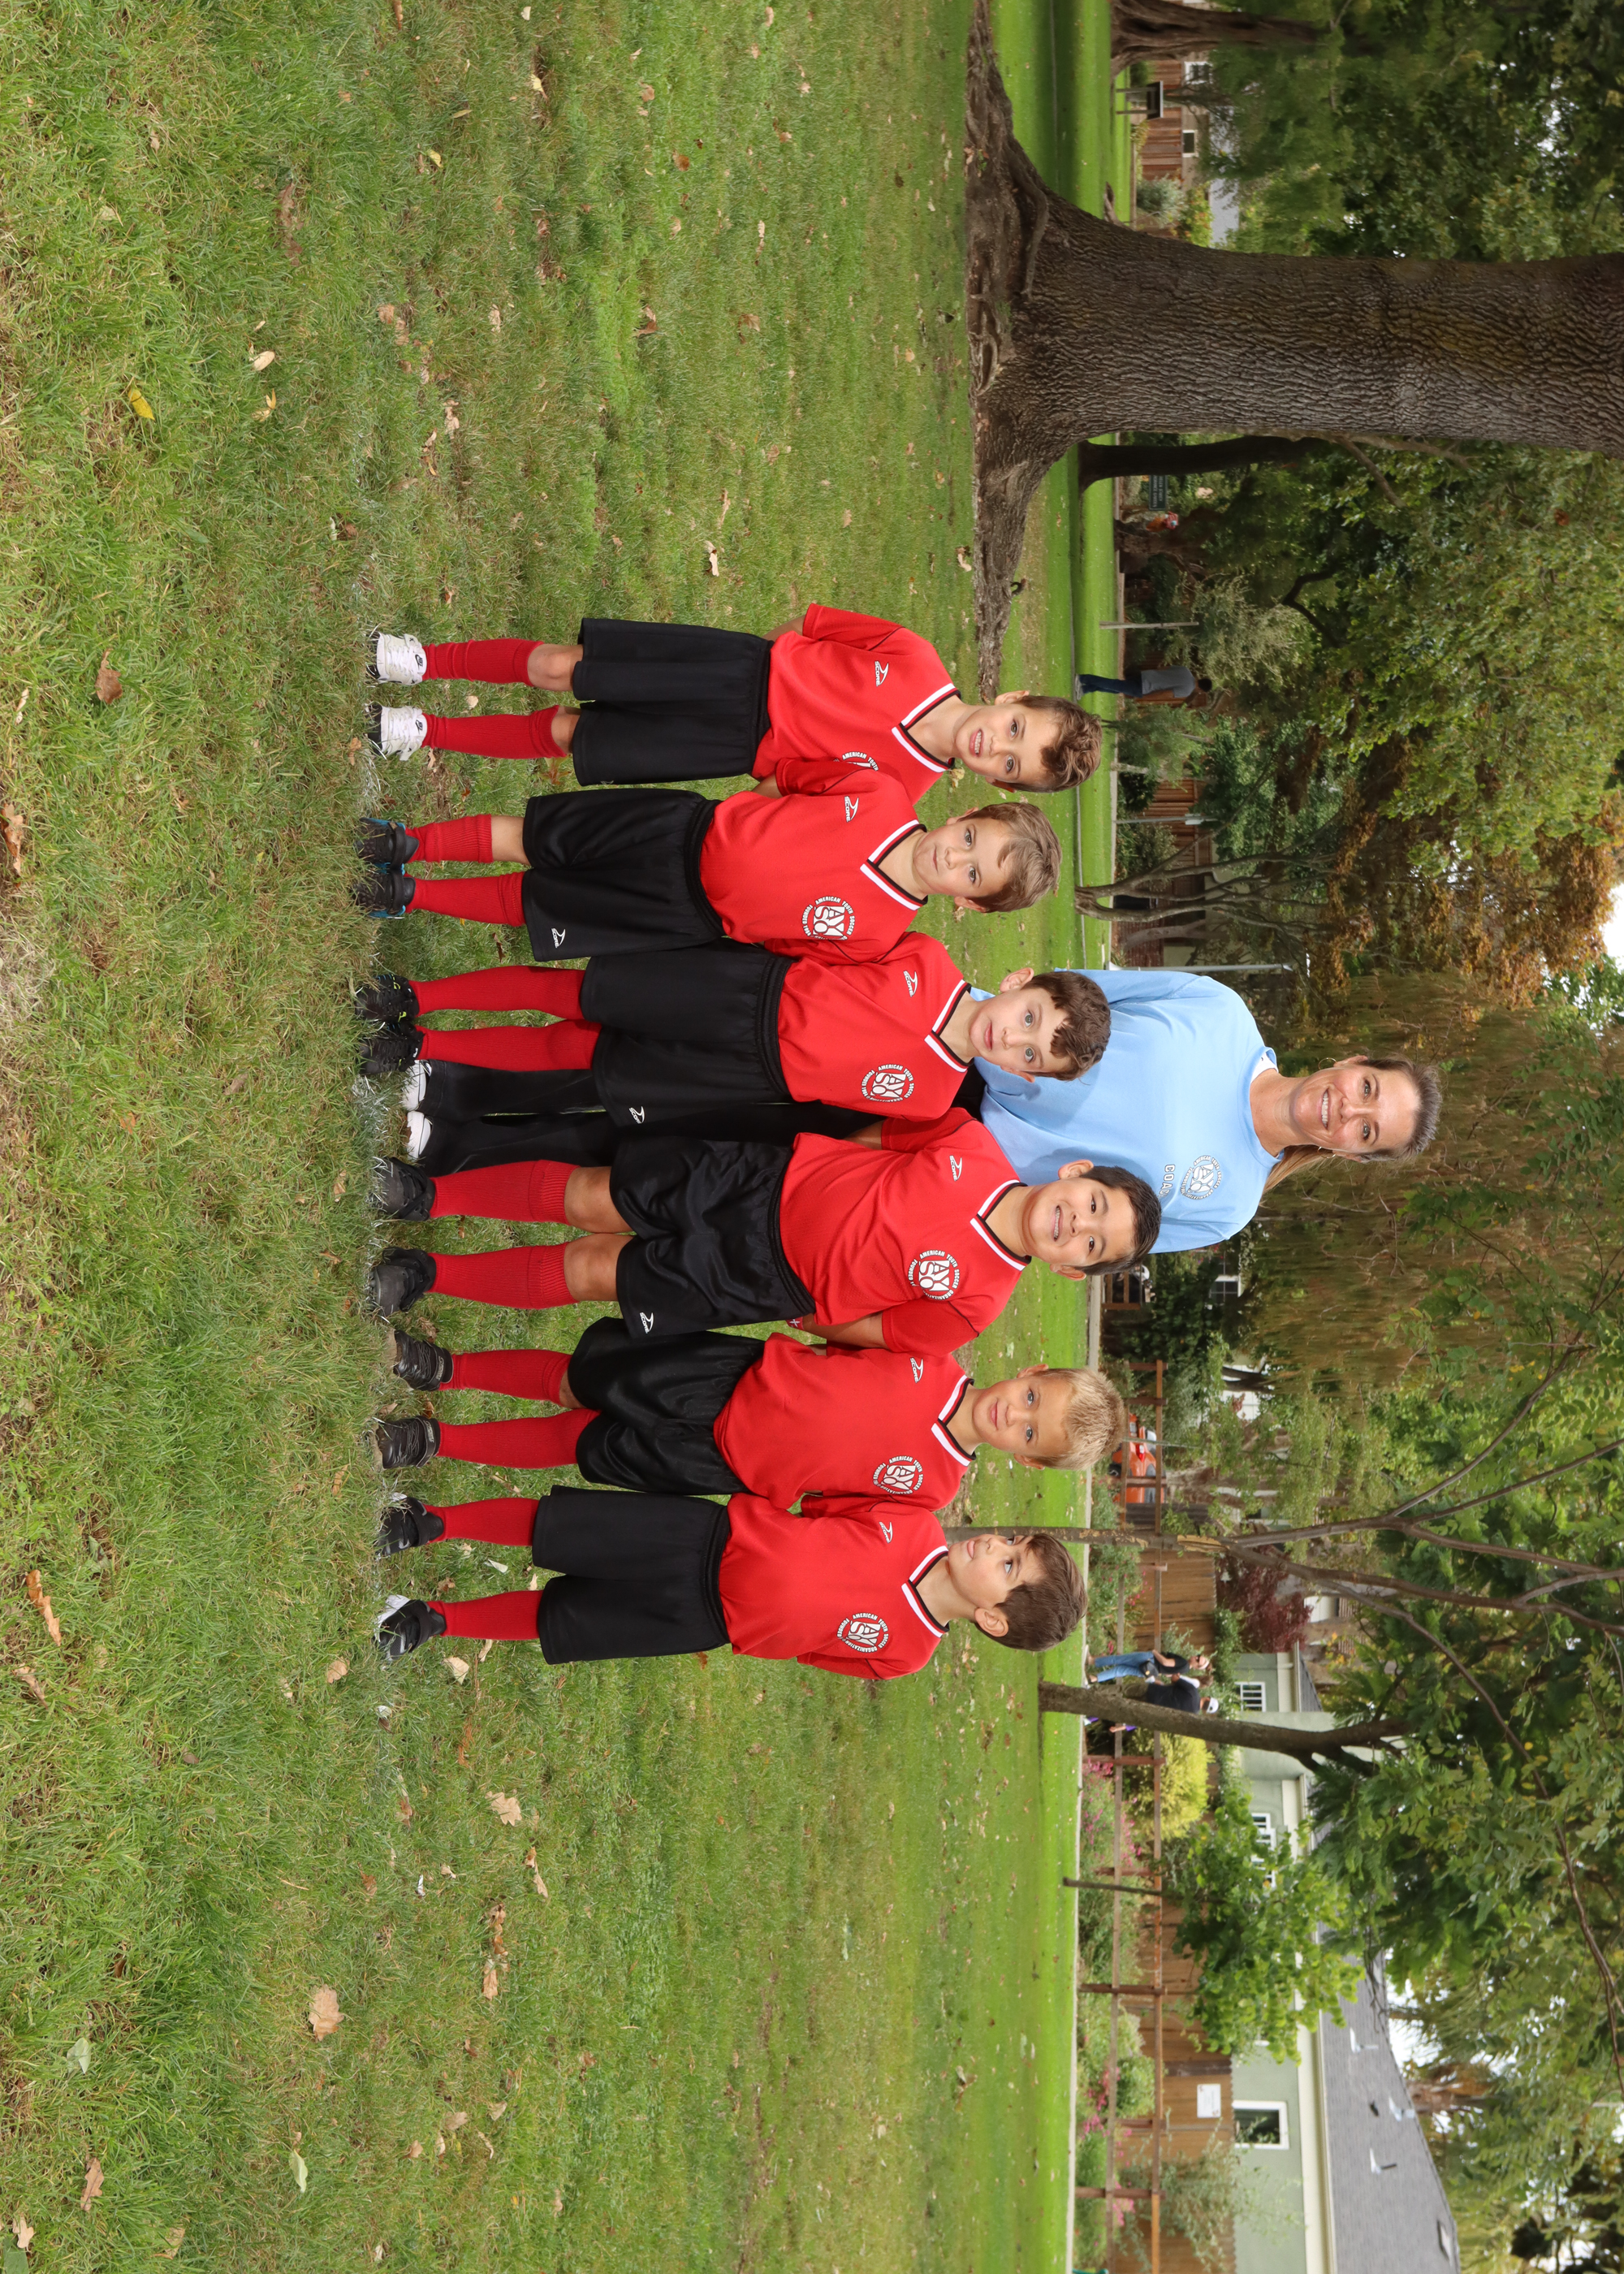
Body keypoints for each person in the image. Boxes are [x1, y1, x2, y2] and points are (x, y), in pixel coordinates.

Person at [363, 1107, 1163, 1352]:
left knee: (596, 1271)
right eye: (1093, 1204)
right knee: (594, 1198)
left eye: (1092, 1246)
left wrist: (799, 1303)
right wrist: (808, 1173)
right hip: (757, 1180)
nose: (1077, 1225)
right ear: (1074, 1171)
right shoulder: (969, 1142)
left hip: (761, 1279)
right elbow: (874, 1143)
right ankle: (430, 1194)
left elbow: (874, 1330)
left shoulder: (976, 1304)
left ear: (1070, 1270)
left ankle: (428, 1275)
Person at [353, 945, 1111, 1145]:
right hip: (736, 993)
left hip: (740, 1073)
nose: (1012, 1037)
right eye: (1029, 1017)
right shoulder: (926, 959)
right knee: (574, 994)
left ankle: (424, 1048)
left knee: (575, 1058)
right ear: (1018, 981)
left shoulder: (932, 1099)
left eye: (1030, 1054)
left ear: (1021, 1076)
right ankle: (420, 999)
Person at [372, 1316, 1128, 1508]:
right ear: (1030, 1372)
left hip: (725, 1463)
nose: (1014, 1415)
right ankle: (444, 1367)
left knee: (585, 1442)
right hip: (728, 1378)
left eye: (1031, 1432)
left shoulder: (931, 1489)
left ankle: (433, 1441)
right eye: (1032, 1398)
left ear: (1026, 1457)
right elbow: (837, 1326)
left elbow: (832, 1513)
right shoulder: (932, 1352)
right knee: (584, 1382)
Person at [372, 1481, 1084, 1680]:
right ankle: (434, 1521)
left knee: (562, 1622)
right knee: (558, 1529)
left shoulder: (906, 1654)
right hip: (704, 1538)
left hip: (705, 1621)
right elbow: (819, 1507)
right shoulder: (916, 1522)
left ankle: (434, 1619)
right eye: (1013, 1541)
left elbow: (816, 1651)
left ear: (994, 1618)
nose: (996, 1543)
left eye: (1009, 1565)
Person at [362, 611, 1101, 801]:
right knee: (565, 667)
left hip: (728, 746)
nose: (996, 744)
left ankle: (425, 730)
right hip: (734, 669)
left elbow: (787, 788)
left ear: (1000, 783)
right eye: (1015, 727)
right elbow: (810, 628)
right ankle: (427, 661)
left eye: (1012, 763)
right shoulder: (914, 654)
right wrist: (762, 669)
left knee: (570, 735)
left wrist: (765, 754)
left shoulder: (898, 791)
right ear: (1011, 698)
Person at [349, 772, 1062, 967]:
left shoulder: (879, 935)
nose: (954, 856)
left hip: (681, 913)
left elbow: (782, 945)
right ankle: (409, 841)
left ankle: (409, 894)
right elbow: (786, 782)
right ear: (967, 813)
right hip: (680, 827)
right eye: (972, 838)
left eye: (973, 876)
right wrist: (739, 831)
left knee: (539, 905)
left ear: (970, 905)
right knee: (538, 838)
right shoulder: (881, 794)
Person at [972, 969, 1443, 1251]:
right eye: (1366, 1088)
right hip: (970, 1056)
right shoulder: (1221, 1009)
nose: (1348, 1110)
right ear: (1353, 1062)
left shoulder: (1229, 1210)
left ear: (1353, 1155)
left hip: (976, 1169)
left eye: (1367, 1131)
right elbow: (1069, 992)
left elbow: (1095, 1247)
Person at [1073, 666, 1210, 704]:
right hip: (1146, 687)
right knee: (1115, 685)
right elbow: (1165, 693)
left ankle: (1085, 689)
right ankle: (1082, 679)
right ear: (1201, 690)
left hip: (1146, 675)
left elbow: (1164, 668)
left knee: (1116, 688)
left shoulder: (1186, 670)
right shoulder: (1187, 690)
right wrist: (1147, 698)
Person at [1089, 1646, 1210, 1684]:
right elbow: (1168, 1675)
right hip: (1149, 1671)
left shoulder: (1183, 1663)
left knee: (1119, 1659)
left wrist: (1154, 1652)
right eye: (1198, 1656)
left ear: (1197, 1667)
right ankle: (1095, 1678)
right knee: (1120, 1671)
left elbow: (1166, 1662)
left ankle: (1092, 1661)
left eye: (1198, 1660)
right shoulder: (1185, 1670)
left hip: (1150, 1660)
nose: (1196, 1657)